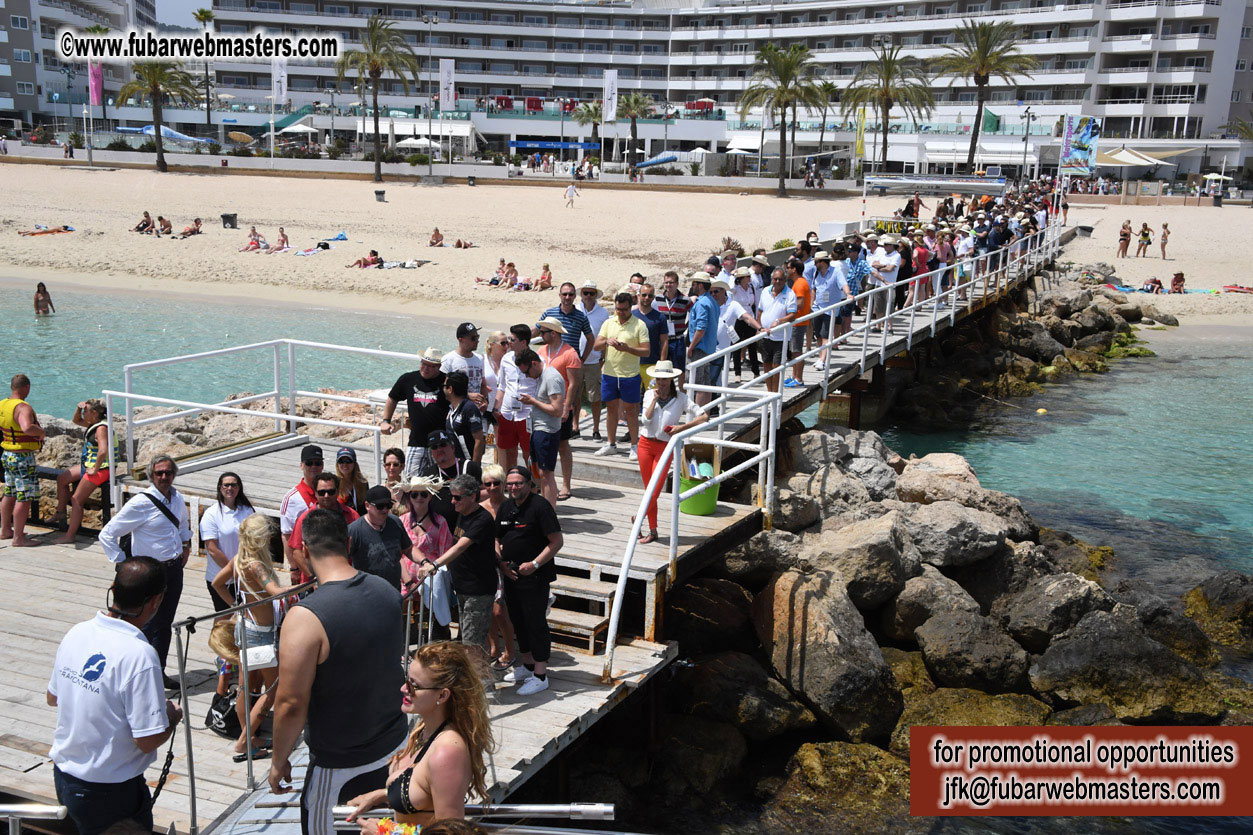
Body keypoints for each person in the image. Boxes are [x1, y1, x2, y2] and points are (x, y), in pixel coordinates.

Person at [269, 509, 408, 835]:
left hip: (340, 765)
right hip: (394, 748)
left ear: (302, 550)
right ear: (348, 542)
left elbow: (290, 704)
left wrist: (278, 762)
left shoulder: (305, 618)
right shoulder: (387, 592)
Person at [48, 557, 183, 835]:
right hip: (111, 792)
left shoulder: (78, 632)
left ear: (113, 589)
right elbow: (146, 740)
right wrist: (171, 717)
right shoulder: (139, 655)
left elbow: (53, 697)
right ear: (155, 601)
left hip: (65, 779)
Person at [345, 642, 494, 829]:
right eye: (407, 680)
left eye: (414, 686)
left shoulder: (447, 753)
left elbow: (451, 834)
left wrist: (385, 833)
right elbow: (423, 791)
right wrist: (382, 794)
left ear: (442, 696)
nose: (403, 689)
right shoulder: (425, 728)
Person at [98, 455, 192, 687]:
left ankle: (157, 672)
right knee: (144, 624)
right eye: (159, 473)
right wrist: (122, 564)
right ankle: (137, 675)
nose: (164, 477)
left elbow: (182, 524)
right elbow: (107, 534)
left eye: (168, 472)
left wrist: (186, 546)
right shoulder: (141, 502)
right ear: (151, 475)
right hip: (150, 572)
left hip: (173, 569)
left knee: (165, 622)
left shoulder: (177, 498)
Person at [212, 514, 289, 758]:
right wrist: (307, 586)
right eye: (266, 533)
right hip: (261, 634)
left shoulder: (238, 560)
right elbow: (276, 592)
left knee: (245, 687)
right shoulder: (255, 564)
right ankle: (244, 741)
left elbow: (217, 583)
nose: (269, 536)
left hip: (245, 628)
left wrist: (236, 607)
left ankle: (249, 736)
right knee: (273, 690)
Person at [496, 467, 562, 696]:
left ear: (529, 484)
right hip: (511, 575)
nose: (514, 487)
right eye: (510, 484)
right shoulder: (505, 507)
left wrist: (534, 564)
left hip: (535, 576)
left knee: (535, 622)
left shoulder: (540, 507)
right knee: (518, 621)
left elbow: (556, 542)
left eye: (518, 483)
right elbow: (497, 538)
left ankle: (541, 675)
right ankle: (528, 665)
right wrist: (501, 563)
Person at [416, 474, 496, 660]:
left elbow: (460, 546)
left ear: (473, 496)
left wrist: (435, 564)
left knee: (471, 643)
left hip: (478, 591)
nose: (453, 501)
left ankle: (478, 684)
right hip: (462, 588)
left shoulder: (481, 520)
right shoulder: (463, 514)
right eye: (452, 496)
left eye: (457, 497)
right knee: (472, 640)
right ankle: (481, 679)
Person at [635, 361, 708, 544]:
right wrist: (653, 400)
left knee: (655, 489)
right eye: (659, 379)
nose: (662, 382)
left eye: (665, 379)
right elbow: (646, 421)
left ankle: (639, 519)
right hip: (644, 445)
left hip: (664, 447)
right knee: (649, 489)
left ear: (672, 379)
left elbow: (704, 415)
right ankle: (652, 530)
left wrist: (682, 427)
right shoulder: (649, 395)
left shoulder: (681, 398)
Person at [198, 471, 254, 695]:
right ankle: (221, 657)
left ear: (239, 488)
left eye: (233, 485)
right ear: (219, 488)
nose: (229, 489)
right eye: (225, 485)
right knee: (223, 618)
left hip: (243, 577)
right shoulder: (211, 514)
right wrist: (233, 569)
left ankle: (235, 655)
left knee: (241, 616)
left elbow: (253, 540)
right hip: (219, 577)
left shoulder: (247, 511)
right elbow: (211, 547)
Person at [594, 291, 649, 461]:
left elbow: (646, 351)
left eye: (624, 309)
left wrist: (628, 349)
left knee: (632, 411)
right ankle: (611, 444)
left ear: (630, 307)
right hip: (610, 373)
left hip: (630, 374)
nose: (620, 312)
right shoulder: (609, 322)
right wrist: (606, 342)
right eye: (618, 309)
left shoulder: (639, 325)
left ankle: (634, 445)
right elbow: (596, 346)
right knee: (610, 409)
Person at [51, 399, 115, 543]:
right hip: (88, 465)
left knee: (76, 499)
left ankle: (70, 535)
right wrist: (78, 408)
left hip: (102, 469)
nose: (83, 413)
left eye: (85, 411)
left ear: (94, 413)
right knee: (62, 479)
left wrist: (95, 469)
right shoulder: (93, 424)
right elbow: (76, 420)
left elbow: (103, 451)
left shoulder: (101, 429)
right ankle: (60, 512)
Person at [382, 347, 449, 478]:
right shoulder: (408, 379)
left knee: (441, 482)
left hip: (439, 444)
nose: (425, 368)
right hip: (416, 442)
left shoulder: (446, 382)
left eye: (430, 366)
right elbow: (392, 398)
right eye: (423, 363)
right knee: (411, 482)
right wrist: (386, 421)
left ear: (439, 367)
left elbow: (458, 400)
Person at [535, 317, 582, 501]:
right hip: (543, 406)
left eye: (543, 332)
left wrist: (566, 407)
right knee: (543, 444)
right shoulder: (541, 351)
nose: (540, 335)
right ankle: (545, 483)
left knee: (563, 445)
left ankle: (566, 485)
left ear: (552, 333)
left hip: (560, 405)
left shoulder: (570, 353)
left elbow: (573, 384)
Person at [289, 472, 360, 583]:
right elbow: (297, 552)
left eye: (330, 492)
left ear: (337, 492)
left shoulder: (353, 516)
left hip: (346, 579)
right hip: (314, 584)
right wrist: (314, 578)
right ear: (315, 493)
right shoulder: (304, 519)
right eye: (322, 492)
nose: (326, 496)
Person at [1, 374, 46, 548]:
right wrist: (41, 433)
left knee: (10, 492)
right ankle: (18, 538)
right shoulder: (23, 407)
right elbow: (27, 427)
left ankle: (5, 530)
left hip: (7, 454)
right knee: (24, 497)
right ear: (26, 387)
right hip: (22, 456)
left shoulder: (3, 404)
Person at [516, 350, 564, 508]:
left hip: (547, 431)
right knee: (539, 472)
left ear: (534, 363)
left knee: (546, 474)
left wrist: (533, 402)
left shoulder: (551, 378)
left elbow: (557, 410)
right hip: (539, 429)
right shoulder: (543, 376)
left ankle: (549, 512)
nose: (527, 376)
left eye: (527, 372)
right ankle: (544, 508)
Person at [347, 485, 414, 591]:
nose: (385, 510)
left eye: (389, 505)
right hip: (366, 593)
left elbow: (409, 549)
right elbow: (340, 560)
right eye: (380, 506)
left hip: (393, 591)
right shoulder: (354, 530)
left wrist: (425, 562)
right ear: (367, 506)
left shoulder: (395, 522)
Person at [414, 430, 483, 529]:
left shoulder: (470, 467)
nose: (439, 449)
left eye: (442, 445)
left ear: (452, 447)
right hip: (439, 530)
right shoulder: (428, 474)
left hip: (468, 526)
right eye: (434, 447)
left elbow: (485, 492)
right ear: (431, 453)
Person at [494, 325, 538, 472]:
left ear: (524, 342)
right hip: (507, 413)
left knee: (529, 453)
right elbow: (502, 386)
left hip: (527, 414)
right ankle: (510, 482)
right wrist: (495, 408)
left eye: (512, 340)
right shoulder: (506, 359)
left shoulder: (536, 361)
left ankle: (534, 484)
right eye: (507, 339)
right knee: (508, 450)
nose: (508, 343)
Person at [280, 444, 324, 575]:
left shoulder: (329, 493)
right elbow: (287, 535)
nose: (313, 467)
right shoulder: (292, 498)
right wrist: (294, 567)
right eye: (309, 463)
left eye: (317, 463)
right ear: (301, 465)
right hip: (304, 563)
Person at [575, 281, 610, 441]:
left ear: (596, 295)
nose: (588, 296)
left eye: (591, 293)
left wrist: (603, 357)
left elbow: (606, 337)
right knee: (574, 396)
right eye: (585, 293)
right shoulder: (574, 310)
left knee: (595, 398)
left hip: (594, 361)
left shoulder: (603, 313)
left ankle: (596, 429)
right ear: (581, 294)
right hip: (574, 361)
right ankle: (575, 427)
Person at [756, 268, 798, 395]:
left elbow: (792, 315)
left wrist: (779, 321)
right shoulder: (765, 291)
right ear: (771, 279)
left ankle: (775, 394)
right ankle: (770, 393)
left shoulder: (790, 294)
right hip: (765, 335)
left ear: (785, 280)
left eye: (780, 279)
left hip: (781, 337)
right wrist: (758, 328)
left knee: (776, 366)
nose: (778, 281)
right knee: (767, 365)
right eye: (775, 279)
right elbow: (760, 311)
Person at [684, 272, 720, 407]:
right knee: (706, 383)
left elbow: (701, 329)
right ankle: (705, 413)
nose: (692, 286)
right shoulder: (713, 301)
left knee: (697, 383)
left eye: (694, 283)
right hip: (709, 347)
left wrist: (691, 347)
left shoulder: (701, 303)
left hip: (700, 348)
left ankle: (697, 416)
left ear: (700, 285)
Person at [441, 322, 489, 411]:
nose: (477, 340)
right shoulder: (448, 360)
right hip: (457, 412)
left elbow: (482, 384)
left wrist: (485, 401)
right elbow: (442, 388)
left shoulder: (479, 359)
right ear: (461, 339)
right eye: (473, 338)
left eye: (477, 337)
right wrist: (467, 396)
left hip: (476, 412)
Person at [634, 282, 669, 393]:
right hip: (634, 364)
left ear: (653, 298)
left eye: (650, 295)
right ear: (638, 296)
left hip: (653, 364)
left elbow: (664, 341)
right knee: (633, 398)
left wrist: (662, 363)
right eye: (644, 295)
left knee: (654, 396)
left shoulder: (660, 317)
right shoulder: (631, 316)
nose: (646, 298)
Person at [443, 372, 485, 465]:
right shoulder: (452, 408)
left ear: (450, 389)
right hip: (455, 463)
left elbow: (479, 440)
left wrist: (474, 467)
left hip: (467, 464)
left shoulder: (469, 408)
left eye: (444, 386)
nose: (442, 388)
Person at [783, 259, 812, 388]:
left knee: (796, 351)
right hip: (797, 323)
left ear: (794, 269)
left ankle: (799, 378)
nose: (787, 270)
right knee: (794, 350)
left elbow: (799, 303)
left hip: (798, 323)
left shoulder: (800, 283)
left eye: (788, 267)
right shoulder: (799, 282)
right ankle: (795, 375)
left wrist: (787, 310)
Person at [335, 447, 369, 515]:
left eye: (348, 461)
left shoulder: (363, 483)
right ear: (337, 464)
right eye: (341, 461)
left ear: (354, 463)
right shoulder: (334, 484)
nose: (345, 464)